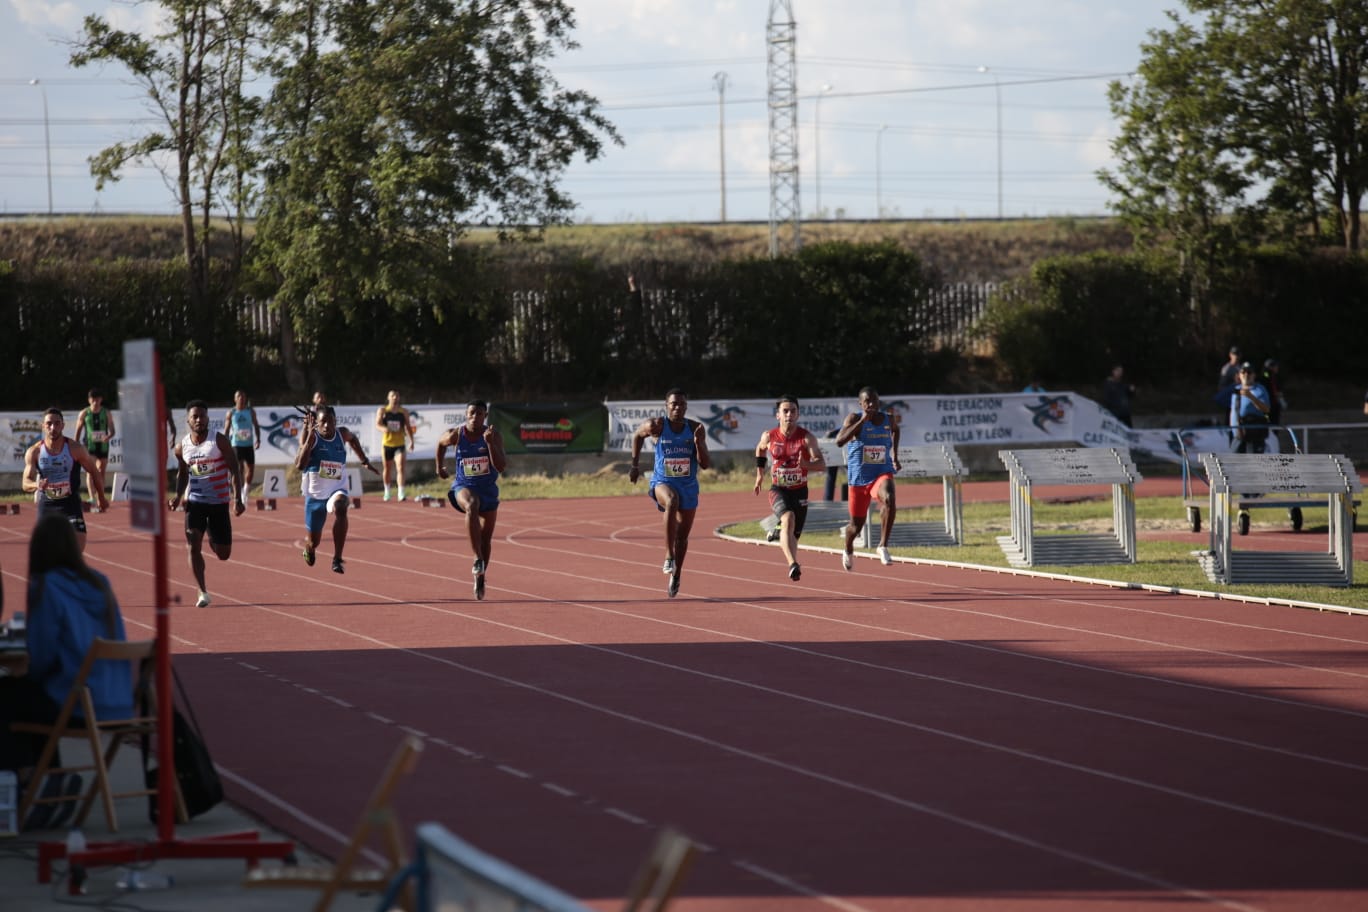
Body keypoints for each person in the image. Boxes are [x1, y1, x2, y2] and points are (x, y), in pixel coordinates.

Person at [0, 515, 129, 829]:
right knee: (29, 698)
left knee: (8, 697)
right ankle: (48, 778)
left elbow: (41, 657)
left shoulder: (46, 586)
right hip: (119, 701)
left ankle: (25, 783)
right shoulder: (100, 582)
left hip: (78, 703)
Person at [629, 388, 711, 598]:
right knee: (671, 501)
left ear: (686, 407)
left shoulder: (695, 429)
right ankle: (668, 555)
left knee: (682, 537)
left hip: (688, 486)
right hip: (662, 482)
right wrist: (635, 465)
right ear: (666, 406)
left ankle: (677, 574)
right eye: (673, 404)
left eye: (682, 404)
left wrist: (699, 443)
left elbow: (705, 465)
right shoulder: (656, 425)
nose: (678, 407)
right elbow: (638, 436)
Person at [170, 400, 243, 607]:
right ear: (188, 420)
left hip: (219, 502)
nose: (199, 420)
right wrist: (177, 495)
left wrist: (238, 498)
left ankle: (211, 532)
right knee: (193, 543)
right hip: (195, 502)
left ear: (208, 419)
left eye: (202, 416)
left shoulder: (219, 441)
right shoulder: (181, 447)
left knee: (223, 554)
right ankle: (202, 591)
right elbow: (183, 473)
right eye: (195, 417)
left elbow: (235, 469)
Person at [436, 401, 507, 600]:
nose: (475, 417)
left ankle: (481, 574)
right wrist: (439, 467)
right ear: (466, 415)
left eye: (480, 413)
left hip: (488, 491)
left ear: (485, 416)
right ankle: (477, 559)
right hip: (463, 486)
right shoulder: (456, 435)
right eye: (472, 413)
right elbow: (440, 444)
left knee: (486, 539)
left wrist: (491, 443)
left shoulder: (494, 436)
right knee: (471, 505)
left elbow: (501, 467)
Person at [296, 405, 378, 575]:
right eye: (323, 422)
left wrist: (364, 460)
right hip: (316, 495)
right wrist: (310, 435)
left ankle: (337, 558)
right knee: (314, 541)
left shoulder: (342, 434)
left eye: (330, 421)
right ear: (317, 423)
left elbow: (353, 439)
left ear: (336, 421)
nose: (327, 425)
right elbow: (299, 465)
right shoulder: (312, 436)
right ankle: (309, 549)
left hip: (337, 488)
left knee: (341, 507)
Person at [753, 396, 826, 582]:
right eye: (785, 411)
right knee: (788, 517)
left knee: (794, 535)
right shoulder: (769, 436)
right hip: (778, 489)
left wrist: (806, 464)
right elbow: (760, 450)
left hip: (800, 491)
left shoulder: (807, 438)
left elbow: (822, 464)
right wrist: (760, 474)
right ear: (778, 415)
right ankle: (793, 564)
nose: (789, 415)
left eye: (793, 411)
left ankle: (780, 529)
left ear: (798, 414)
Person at [22, 408, 110, 553]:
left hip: (70, 504)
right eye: (49, 424)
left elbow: (94, 471)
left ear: (62, 426)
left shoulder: (75, 449)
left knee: (76, 552)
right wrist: (36, 485)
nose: (53, 428)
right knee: (46, 553)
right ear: (43, 426)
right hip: (48, 505)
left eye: (57, 424)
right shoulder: (35, 452)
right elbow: (25, 482)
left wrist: (101, 497)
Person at [836, 387, 901, 570]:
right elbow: (839, 441)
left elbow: (896, 430)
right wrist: (862, 422)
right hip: (859, 480)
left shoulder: (887, 419)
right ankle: (848, 548)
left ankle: (882, 546)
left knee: (889, 497)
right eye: (867, 402)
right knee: (855, 527)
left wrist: (895, 456)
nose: (871, 405)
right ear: (861, 404)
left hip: (881, 473)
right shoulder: (854, 418)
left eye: (875, 401)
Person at [74, 389, 116, 512]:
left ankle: (100, 497)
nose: (95, 402)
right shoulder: (84, 413)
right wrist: (76, 445)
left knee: (101, 471)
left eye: (97, 399)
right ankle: (92, 497)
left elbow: (113, 430)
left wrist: (108, 436)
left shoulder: (106, 413)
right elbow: (78, 430)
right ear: (89, 400)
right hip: (89, 446)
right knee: (90, 472)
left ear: (101, 400)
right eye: (93, 399)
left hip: (103, 446)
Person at [375, 390, 416, 502]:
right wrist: (384, 429)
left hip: (400, 444)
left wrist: (411, 441)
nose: (395, 398)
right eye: (392, 396)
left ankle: (401, 493)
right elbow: (377, 424)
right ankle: (387, 492)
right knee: (387, 469)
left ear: (399, 398)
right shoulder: (383, 410)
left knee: (400, 467)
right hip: (387, 444)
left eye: (397, 396)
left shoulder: (404, 412)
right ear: (388, 398)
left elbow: (408, 427)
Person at [223, 390, 261, 508]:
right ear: (235, 399)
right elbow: (227, 429)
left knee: (250, 469)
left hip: (248, 444)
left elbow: (256, 425)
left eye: (243, 397)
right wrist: (225, 443)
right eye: (239, 397)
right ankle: (237, 493)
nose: (241, 399)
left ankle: (245, 491)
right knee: (237, 470)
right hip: (236, 444)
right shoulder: (231, 412)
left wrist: (258, 439)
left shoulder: (250, 411)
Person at [1230, 362, 1272, 454]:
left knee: (1252, 466)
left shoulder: (1259, 389)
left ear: (1254, 375)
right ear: (1239, 375)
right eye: (1243, 372)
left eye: (1249, 372)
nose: (1246, 375)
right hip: (1237, 436)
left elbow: (1266, 409)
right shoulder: (1236, 389)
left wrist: (1251, 397)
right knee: (1234, 465)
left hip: (1253, 437)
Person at [1261, 359, 1287, 427]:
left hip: (1274, 404)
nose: (1277, 368)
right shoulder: (1266, 375)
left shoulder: (1273, 377)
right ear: (1271, 367)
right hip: (1269, 404)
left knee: (1275, 422)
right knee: (1271, 422)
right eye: (1275, 366)